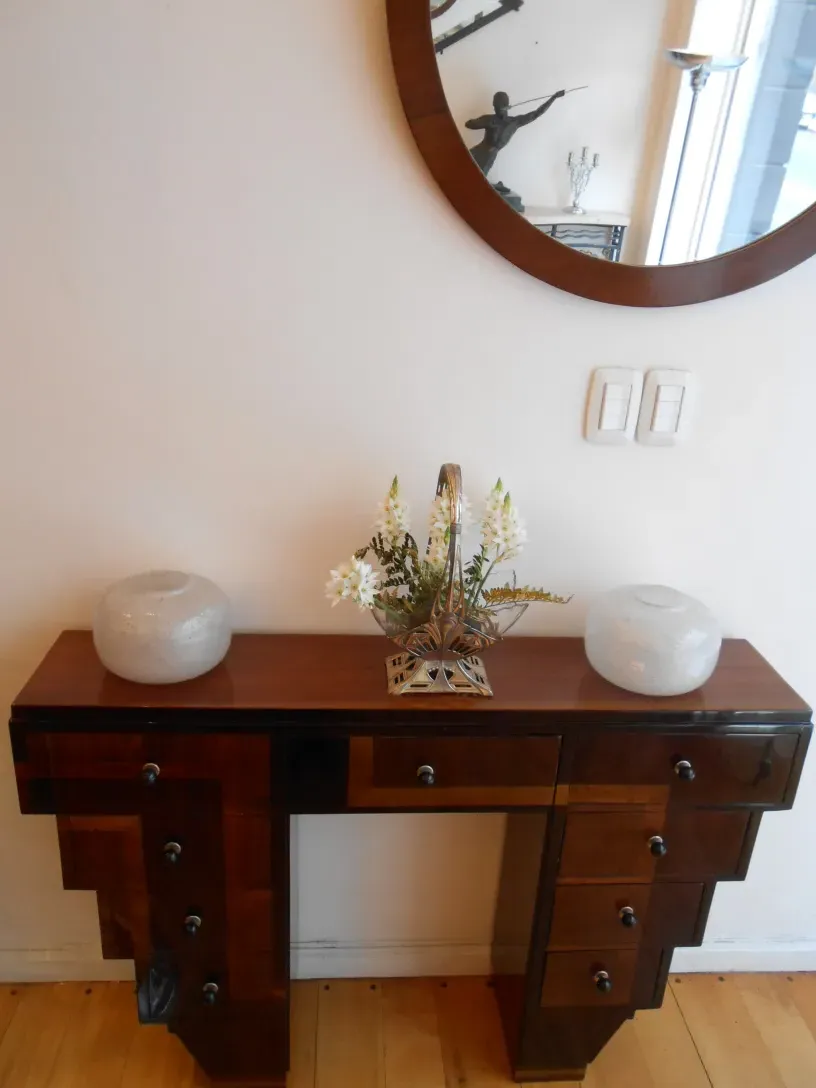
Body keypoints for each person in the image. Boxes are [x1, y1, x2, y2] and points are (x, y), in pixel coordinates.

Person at [466, 90, 566, 177]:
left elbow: (536, 113)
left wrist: (554, 97)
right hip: (477, 152)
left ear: (506, 107)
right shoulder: (489, 119)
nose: (495, 109)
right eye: (494, 106)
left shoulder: (514, 122)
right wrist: (482, 123)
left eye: (497, 107)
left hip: (488, 157)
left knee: (476, 179)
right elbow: (469, 124)